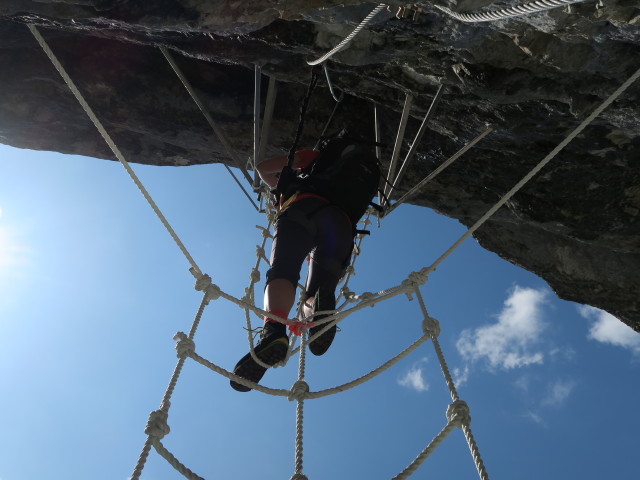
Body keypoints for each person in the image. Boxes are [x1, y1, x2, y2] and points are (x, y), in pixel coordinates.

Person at [230, 149, 354, 392]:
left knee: (283, 270)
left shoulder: (318, 155)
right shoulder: (351, 172)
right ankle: (315, 307)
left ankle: (274, 330)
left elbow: (263, 168)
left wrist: (283, 181)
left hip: (302, 209)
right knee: (319, 289)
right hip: (342, 224)